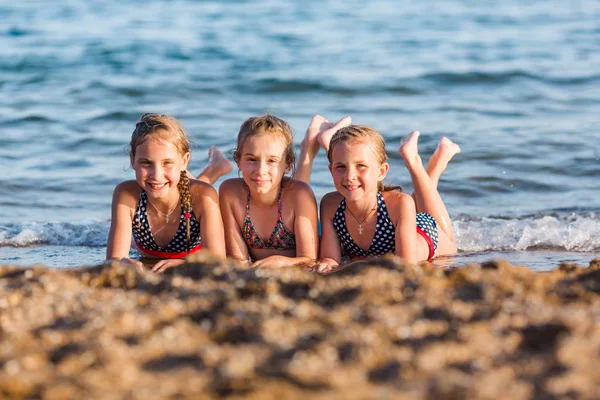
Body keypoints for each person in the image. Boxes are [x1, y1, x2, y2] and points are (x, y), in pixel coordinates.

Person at [315, 125, 460, 273]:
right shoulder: (330, 205)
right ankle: (436, 157)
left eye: (361, 165)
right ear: (331, 170)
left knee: (451, 249)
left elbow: (405, 265)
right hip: (399, 224)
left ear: (381, 171)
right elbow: (330, 257)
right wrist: (326, 264)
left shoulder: (400, 203)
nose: (349, 175)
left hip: (425, 234)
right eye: (341, 166)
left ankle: (417, 161)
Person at [106, 113, 228, 272]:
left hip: (192, 198)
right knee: (170, 182)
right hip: (175, 187)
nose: (156, 174)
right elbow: (113, 260)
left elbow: (218, 262)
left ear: (185, 161)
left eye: (167, 162)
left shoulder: (203, 197)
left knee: (197, 190)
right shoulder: (127, 195)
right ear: (132, 160)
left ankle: (214, 168)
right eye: (146, 163)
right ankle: (204, 166)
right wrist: (124, 264)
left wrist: (185, 265)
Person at [219, 114, 325, 268]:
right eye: (251, 159)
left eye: (272, 160)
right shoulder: (230, 192)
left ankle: (308, 148)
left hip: (303, 218)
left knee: (299, 189)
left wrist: (281, 262)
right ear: (238, 160)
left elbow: (309, 259)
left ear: (288, 164)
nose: (260, 170)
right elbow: (239, 259)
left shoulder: (300, 194)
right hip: (288, 198)